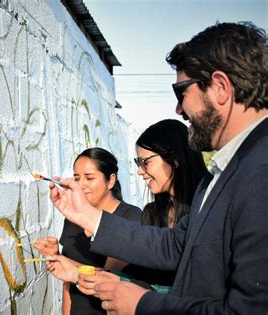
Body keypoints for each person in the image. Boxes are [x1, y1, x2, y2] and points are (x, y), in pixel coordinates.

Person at [48, 22, 268, 314]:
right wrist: (87, 215)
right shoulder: (224, 172)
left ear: (221, 87)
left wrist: (142, 304)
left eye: (181, 93)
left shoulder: (260, 172)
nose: (179, 109)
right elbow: (176, 246)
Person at [50, 120, 209, 295]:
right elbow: (142, 281)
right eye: (138, 163)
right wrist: (75, 273)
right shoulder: (152, 214)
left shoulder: (207, 209)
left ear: (174, 159)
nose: (140, 171)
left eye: (145, 162)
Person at [34, 148, 141, 314]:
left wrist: (69, 268)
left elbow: (110, 275)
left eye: (89, 178)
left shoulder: (130, 217)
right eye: (76, 178)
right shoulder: (72, 217)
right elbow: (67, 282)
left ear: (111, 181)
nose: (81, 184)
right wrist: (57, 256)